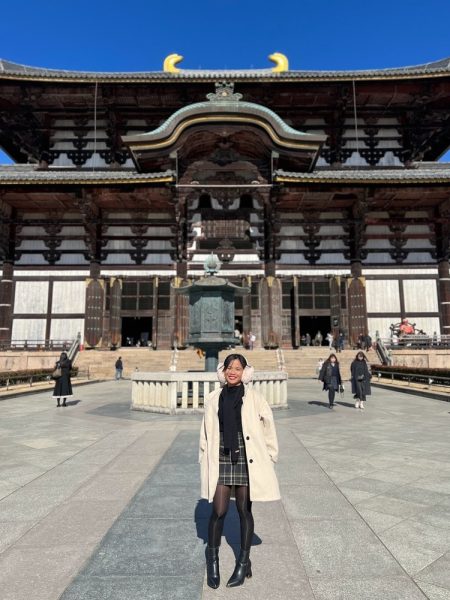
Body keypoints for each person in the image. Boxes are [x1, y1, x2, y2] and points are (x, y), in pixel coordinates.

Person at [199, 353, 280, 589]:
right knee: (219, 510)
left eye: (237, 368)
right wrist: (203, 455)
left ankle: (244, 562)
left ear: (245, 372)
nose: (233, 372)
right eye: (229, 368)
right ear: (223, 372)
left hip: (247, 456)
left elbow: (268, 426)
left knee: (244, 510)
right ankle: (212, 560)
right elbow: (205, 430)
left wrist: (272, 455)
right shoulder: (214, 398)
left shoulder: (254, 397)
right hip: (222, 454)